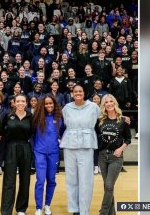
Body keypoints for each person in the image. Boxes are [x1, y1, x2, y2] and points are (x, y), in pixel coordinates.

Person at [60, 85, 101, 215]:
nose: (78, 93)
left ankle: (84, 210)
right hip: (70, 145)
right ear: (72, 94)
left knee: (86, 180)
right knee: (71, 179)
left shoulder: (93, 107)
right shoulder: (66, 108)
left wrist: (122, 118)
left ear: (84, 93)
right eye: (75, 91)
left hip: (86, 145)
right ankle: (74, 209)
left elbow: (104, 118)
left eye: (80, 91)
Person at [95, 94, 131, 215]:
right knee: (107, 187)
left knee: (109, 185)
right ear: (103, 105)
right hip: (102, 156)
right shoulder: (100, 121)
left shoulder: (123, 120)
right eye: (106, 102)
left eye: (111, 101)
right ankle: (112, 213)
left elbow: (128, 139)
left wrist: (121, 149)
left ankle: (103, 212)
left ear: (115, 103)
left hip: (116, 158)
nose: (109, 104)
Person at [0, 94, 33, 215]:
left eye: (22, 101)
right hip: (11, 148)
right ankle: (6, 210)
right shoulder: (8, 115)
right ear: (13, 102)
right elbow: (1, 132)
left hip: (25, 147)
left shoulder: (30, 116)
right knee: (9, 181)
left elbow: (33, 133)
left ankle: (21, 209)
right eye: (17, 101)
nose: (20, 103)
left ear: (26, 103)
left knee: (25, 180)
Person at [32, 95, 64, 215]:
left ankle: (47, 205)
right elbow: (32, 134)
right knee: (40, 180)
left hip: (54, 153)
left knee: (51, 180)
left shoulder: (59, 118)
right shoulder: (37, 117)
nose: (49, 105)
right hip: (39, 152)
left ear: (54, 104)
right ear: (42, 105)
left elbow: (64, 131)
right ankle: (39, 207)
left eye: (51, 103)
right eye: (46, 104)